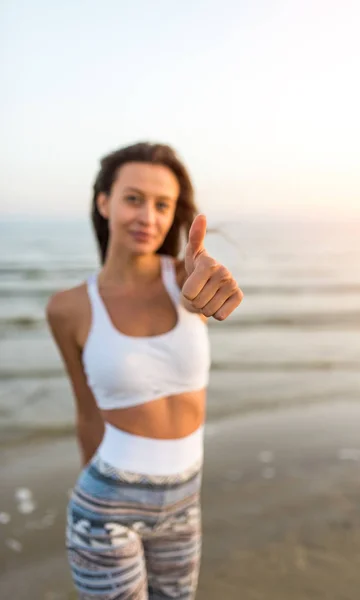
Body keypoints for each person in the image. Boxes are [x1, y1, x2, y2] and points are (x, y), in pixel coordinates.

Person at [46, 142, 243, 600]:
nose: (148, 217)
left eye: (162, 205)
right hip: (105, 510)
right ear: (104, 202)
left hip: (184, 505)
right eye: (133, 198)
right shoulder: (68, 308)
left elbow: (200, 295)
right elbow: (87, 413)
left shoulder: (186, 281)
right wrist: (95, 498)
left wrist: (205, 291)